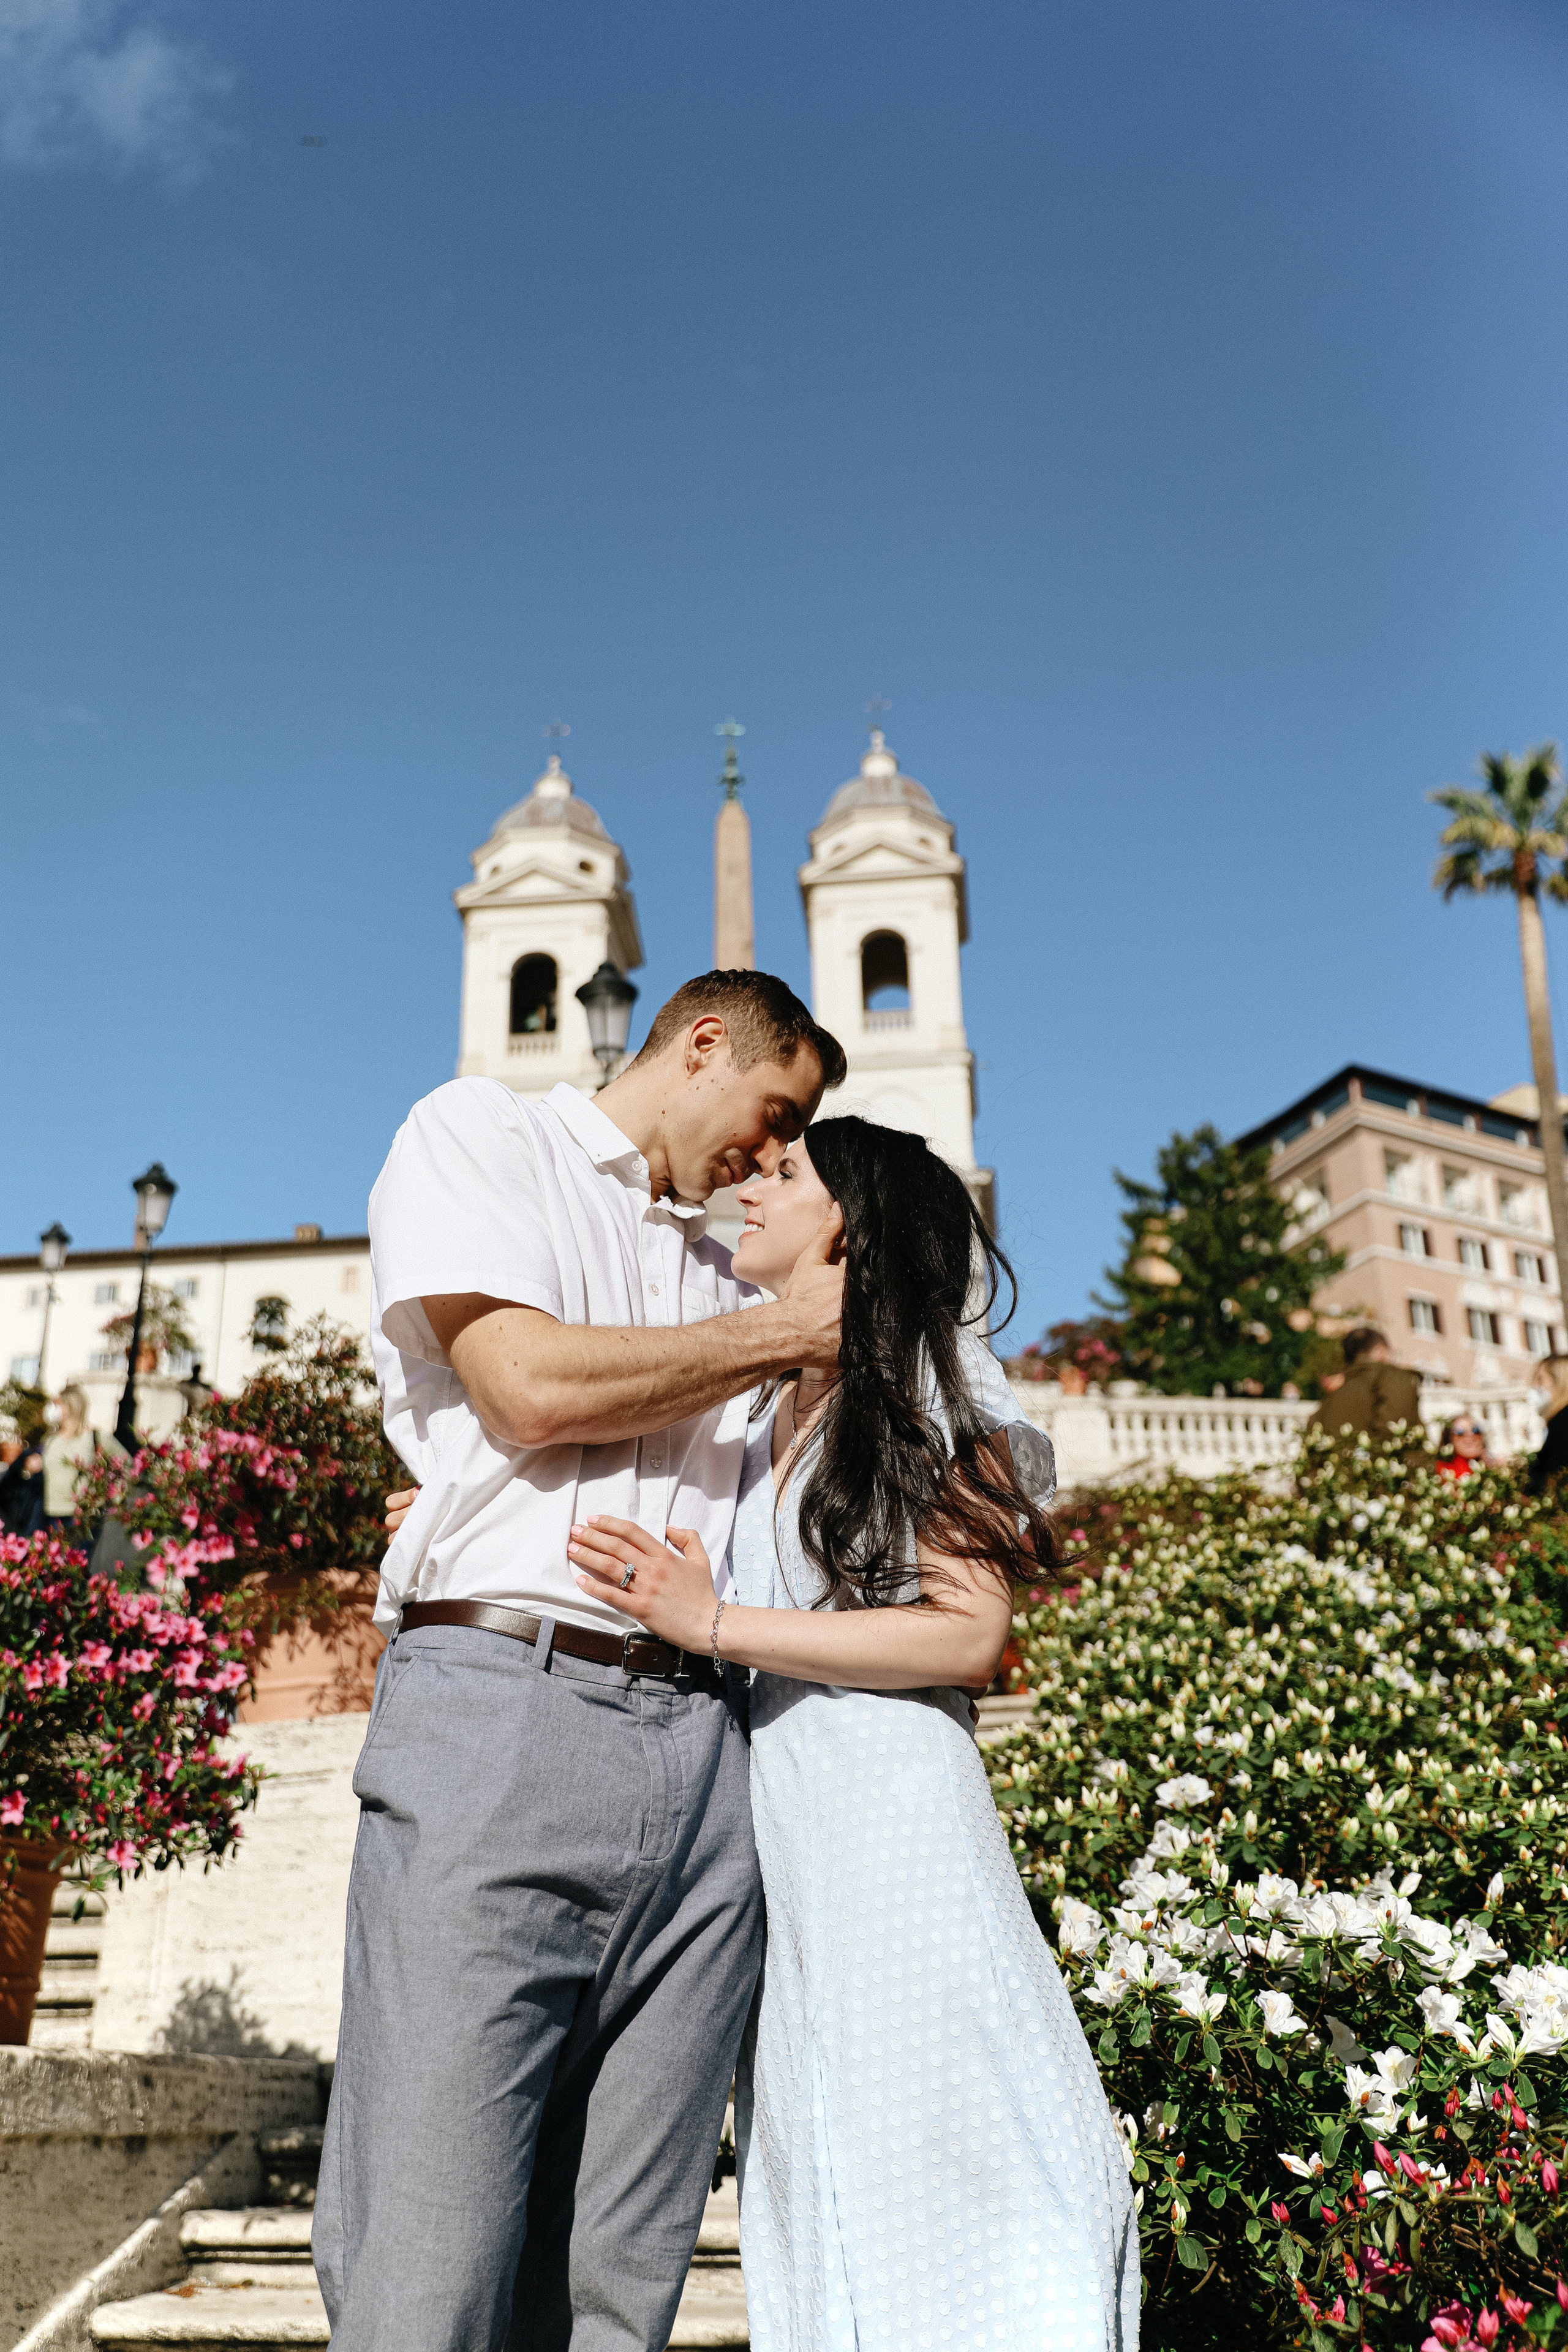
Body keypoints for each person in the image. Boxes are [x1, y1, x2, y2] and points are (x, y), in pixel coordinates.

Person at [312, 970, 850, 2352]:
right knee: (426, 2254)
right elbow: (528, 1389)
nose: (771, 1153)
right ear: (706, 1043)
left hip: (710, 1757)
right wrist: (788, 1335)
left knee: (622, 2272)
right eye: (772, 1111)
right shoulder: (482, 1136)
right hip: (507, 1710)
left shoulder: (729, 1259)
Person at [565, 1117, 1139, 2349]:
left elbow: (964, 1636)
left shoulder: (919, 1387)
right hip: (790, 1835)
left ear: (849, 1222)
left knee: (947, 2135)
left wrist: (714, 1621)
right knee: (828, 2144)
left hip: (895, 1821)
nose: (751, 1187)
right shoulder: (762, 1403)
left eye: (784, 1175)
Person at [1308, 1326, 1425, 1448]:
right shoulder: (1392, 1377)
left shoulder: (1332, 1395)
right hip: (1389, 1465)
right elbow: (1396, 1435)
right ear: (1381, 1351)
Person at [39, 1385, 127, 1537]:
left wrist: (115, 1493)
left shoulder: (96, 1437)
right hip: (51, 1514)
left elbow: (127, 1464)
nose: (53, 1408)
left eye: (57, 1404)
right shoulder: (51, 1440)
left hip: (83, 1516)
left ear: (71, 1406)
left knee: (77, 1560)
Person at [1529, 1355, 1568, 1491]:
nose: (1534, 1386)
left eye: (1541, 1379)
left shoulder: (1562, 1423)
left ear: (1560, 1382)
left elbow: (1553, 1469)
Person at [1434, 1412, 1490, 1480]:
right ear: (1449, 1439)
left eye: (1476, 1430)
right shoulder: (1444, 1474)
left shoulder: (1495, 1469)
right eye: (1460, 1432)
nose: (1470, 1436)